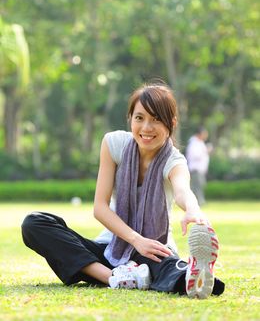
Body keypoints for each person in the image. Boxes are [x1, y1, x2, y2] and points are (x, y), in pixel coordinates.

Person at [21, 81, 224, 299]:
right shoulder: (114, 143)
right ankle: (115, 278)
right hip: (110, 248)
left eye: (156, 119)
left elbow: (183, 190)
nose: (146, 127)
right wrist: (136, 240)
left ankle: (195, 276)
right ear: (130, 119)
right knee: (34, 223)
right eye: (140, 118)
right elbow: (100, 208)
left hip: (152, 250)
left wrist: (192, 210)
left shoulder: (174, 160)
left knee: (165, 266)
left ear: (171, 123)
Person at [186, 127, 213, 206]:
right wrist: (206, 151)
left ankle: (198, 202)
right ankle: (199, 202)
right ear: (199, 134)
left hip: (200, 170)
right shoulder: (194, 143)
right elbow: (194, 155)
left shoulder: (200, 143)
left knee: (199, 185)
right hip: (196, 169)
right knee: (197, 187)